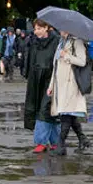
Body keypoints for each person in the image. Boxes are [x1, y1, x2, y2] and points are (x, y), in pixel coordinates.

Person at [48, 29, 91, 154]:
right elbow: (55, 67)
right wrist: (51, 85)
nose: (60, 30)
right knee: (69, 114)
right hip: (60, 85)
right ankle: (83, 139)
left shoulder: (76, 42)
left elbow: (82, 62)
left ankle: (61, 145)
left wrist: (66, 56)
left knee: (66, 115)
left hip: (71, 84)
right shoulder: (60, 43)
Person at [24, 20, 62, 153]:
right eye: (35, 29)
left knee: (46, 109)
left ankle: (42, 141)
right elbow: (29, 58)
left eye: (39, 28)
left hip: (51, 79)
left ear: (47, 28)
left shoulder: (57, 41)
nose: (36, 31)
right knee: (39, 108)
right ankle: (55, 141)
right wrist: (27, 72)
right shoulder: (33, 41)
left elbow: (59, 61)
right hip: (35, 78)